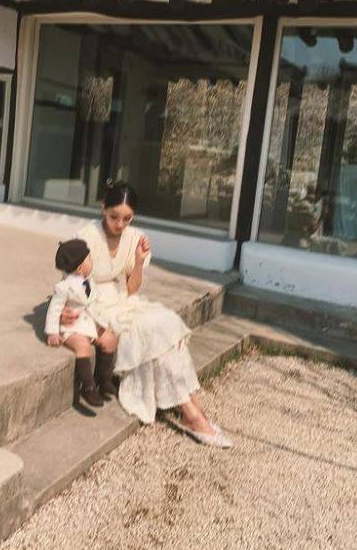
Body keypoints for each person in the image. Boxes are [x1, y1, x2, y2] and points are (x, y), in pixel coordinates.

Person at [60, 180, 232, 448]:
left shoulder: (134, 237)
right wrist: (66, 311)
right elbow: (71, 282)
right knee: (150, 331)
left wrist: (139, 262)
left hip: (121, 298)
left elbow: (131, 289)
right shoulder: (86, 235)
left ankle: (193, 408)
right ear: (103, 208)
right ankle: (192, 414)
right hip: (93, 304)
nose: (120, 224)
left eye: (127, 218)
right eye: (114, 217)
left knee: (166, 324)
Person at [45, 238, 117, 407]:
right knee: (83, 346)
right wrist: (52, 332)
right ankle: (88, 387)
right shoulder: (63, 287)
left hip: (90, 322)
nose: (92, 261)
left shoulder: (89, 280)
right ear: (79, 268)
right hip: (72, 328)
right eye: (89, 259)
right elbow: (54, 309)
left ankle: (104, 378)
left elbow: (97, 301)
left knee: (109, 339)